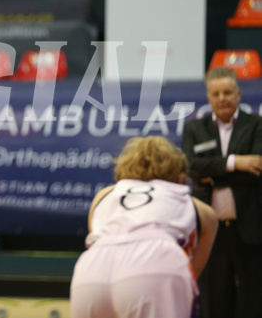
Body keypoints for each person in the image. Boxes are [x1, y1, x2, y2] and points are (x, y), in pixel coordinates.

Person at [70, 136, 218, 318]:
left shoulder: (103, 196)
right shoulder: (202, 211)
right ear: (179, 176)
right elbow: (190, 274)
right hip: (155, 258)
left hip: (92, 268)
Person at [181, 66, 262, 318]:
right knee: (214, 300)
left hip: (249, 226)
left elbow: (257, 167)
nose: (222, 98)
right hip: (210, 231)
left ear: (238, 94)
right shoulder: (195, 129)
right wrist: (236, 163)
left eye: (228, 92)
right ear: (208, 97)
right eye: (216, 94)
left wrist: (211, 174)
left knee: (254, 298)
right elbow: (191, 166)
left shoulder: (256, 125)